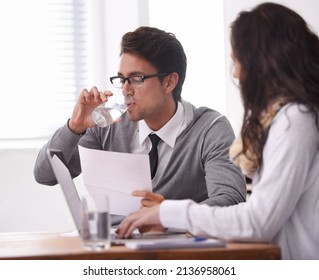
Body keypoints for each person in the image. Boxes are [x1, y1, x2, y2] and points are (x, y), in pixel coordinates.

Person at [116, 3, 319, 260]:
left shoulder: (295, 119)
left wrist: (167, 213)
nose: (235, 72)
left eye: (238, 61)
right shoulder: (289, 118)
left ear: (263, 62)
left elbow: (257, 220)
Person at [34, 26, 246, 224]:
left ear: (169, 82)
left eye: (136, 78)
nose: (125, 89)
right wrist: (75, 127)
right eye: (121, 79)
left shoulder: (210, 128)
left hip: (180, 253)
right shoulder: (106, 125)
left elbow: (232, 200)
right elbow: (45, 175)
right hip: (115, 251)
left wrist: (169, 216)